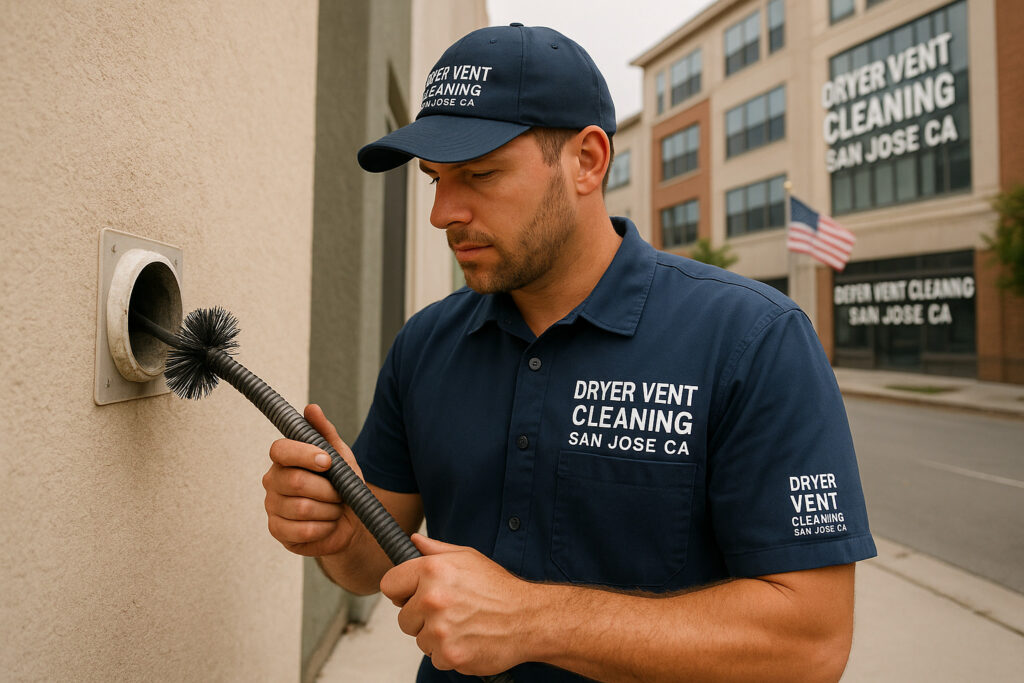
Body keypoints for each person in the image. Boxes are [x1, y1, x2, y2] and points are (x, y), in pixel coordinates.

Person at [262, 23, 877, 682]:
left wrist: (530, 618)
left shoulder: (751, 338)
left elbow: (809, 643)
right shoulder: (426, 343)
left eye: (480, 173)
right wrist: (333, 528)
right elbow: (369, 563)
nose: (443, 212)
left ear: (587, 160)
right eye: (435, 179)